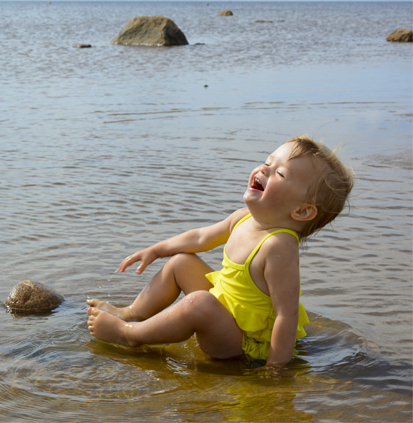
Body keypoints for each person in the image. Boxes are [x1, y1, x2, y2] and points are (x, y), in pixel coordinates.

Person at [87, 135, 353, 368]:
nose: (263, 169)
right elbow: (201, 237)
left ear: (302, 211)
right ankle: (132, 312)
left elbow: (287, 314)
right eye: (267, 162)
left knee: (198, 302)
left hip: (244, 343)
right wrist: (157, 250)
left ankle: (128, 333)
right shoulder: (243, 218)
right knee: (181, 261)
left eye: (279, 173)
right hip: (226, 311)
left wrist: (276, 367)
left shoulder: (278, 245)